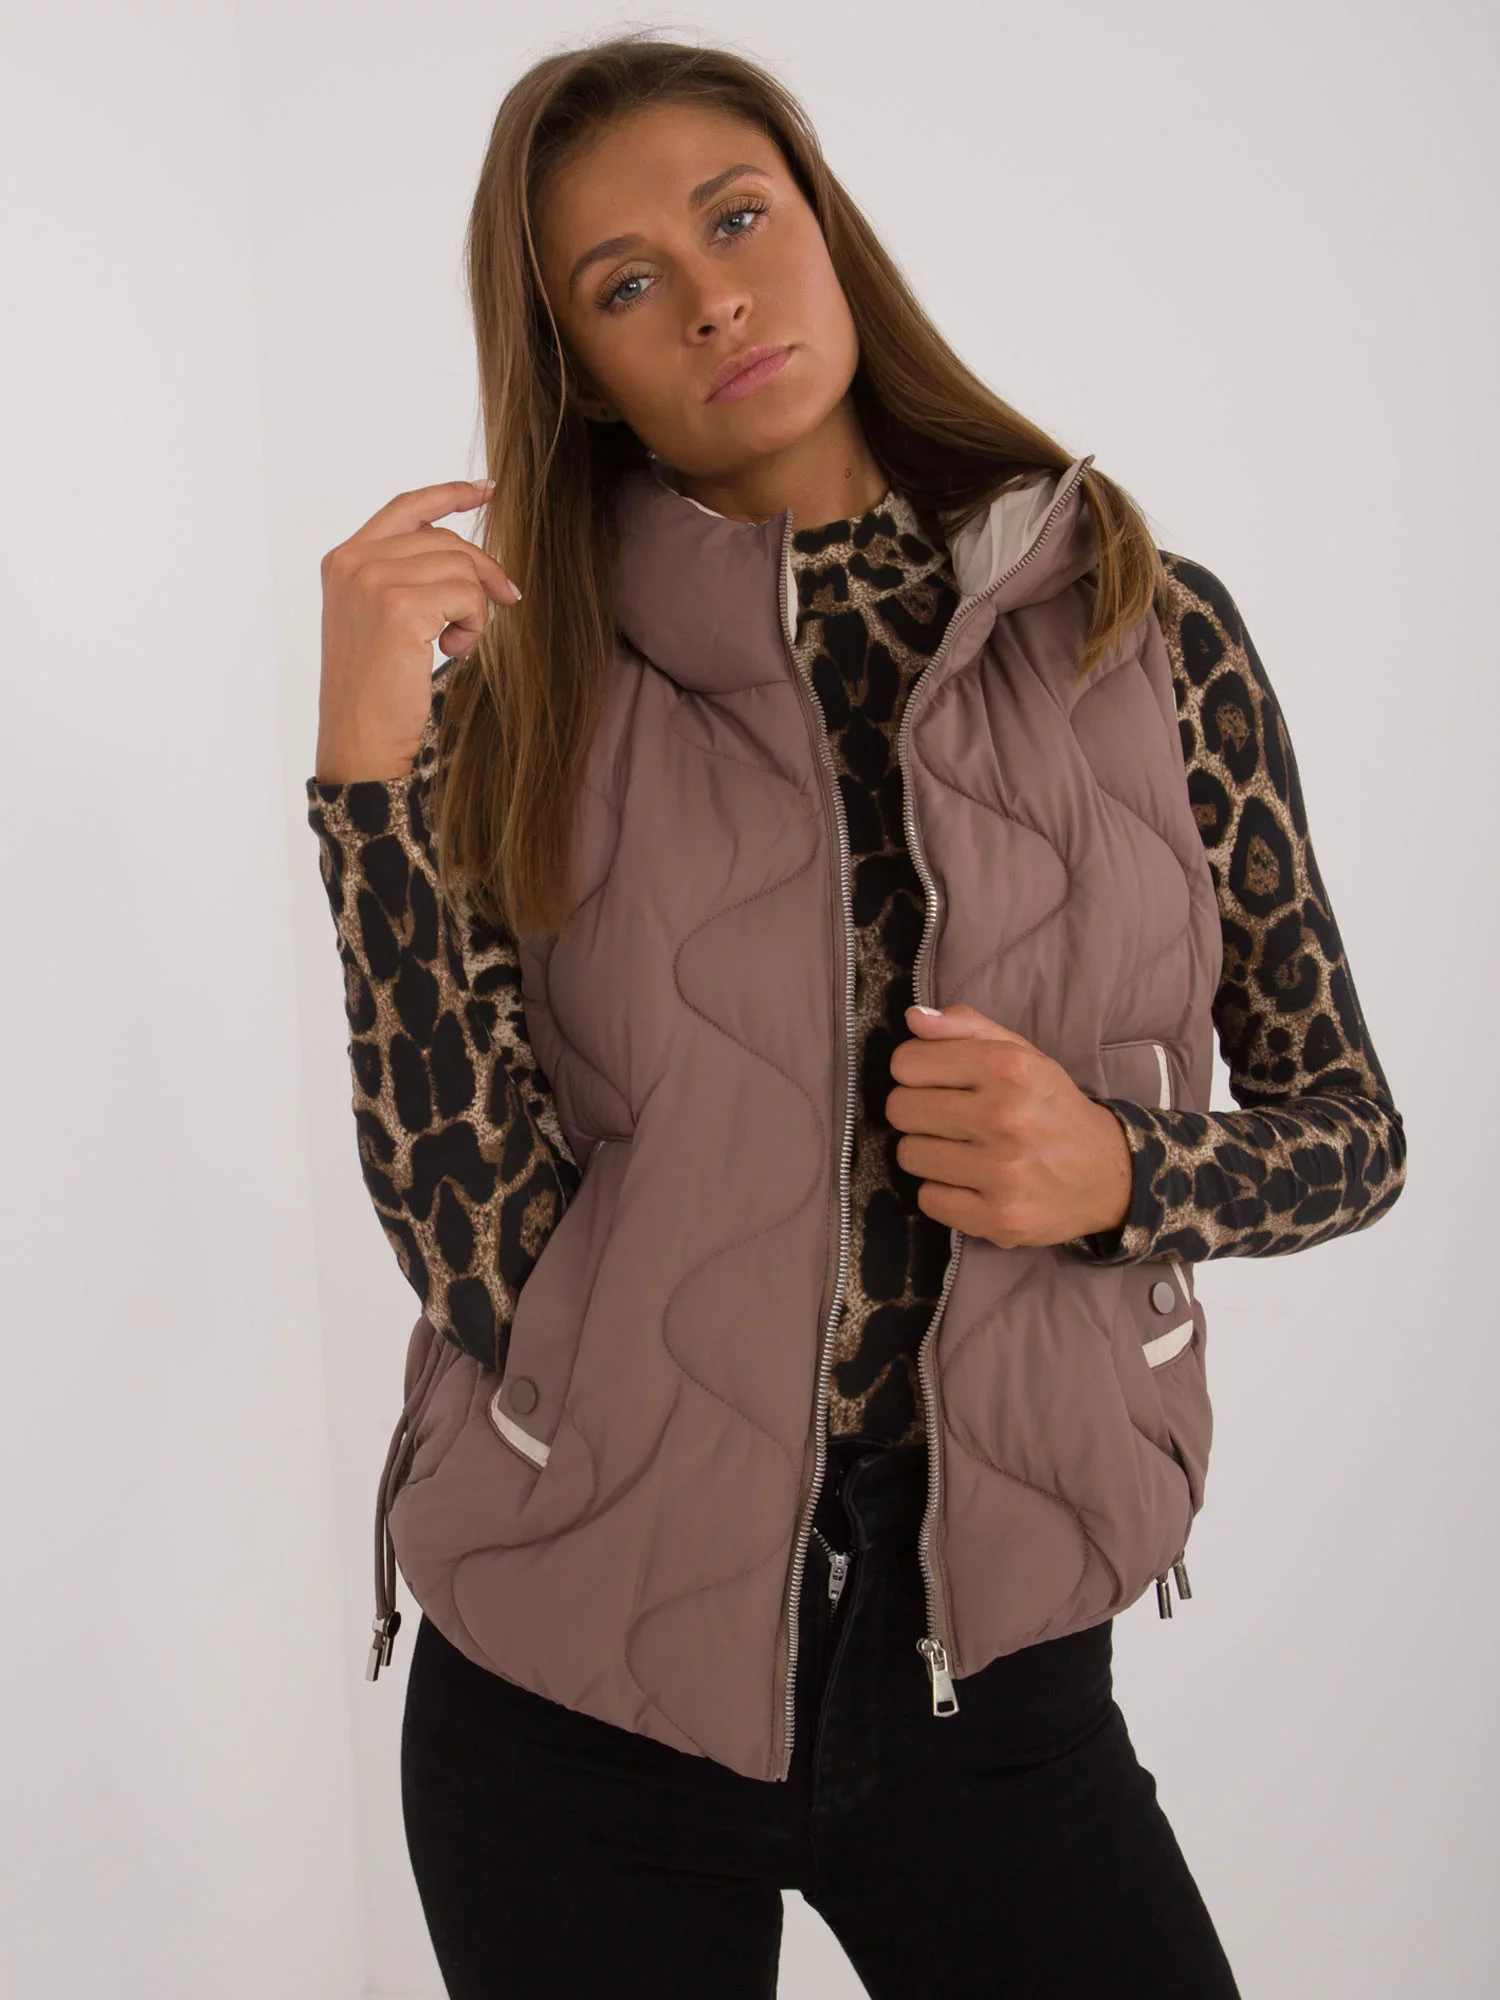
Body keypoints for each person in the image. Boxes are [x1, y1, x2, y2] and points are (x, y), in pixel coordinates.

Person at [305, 31, 1405, 2000]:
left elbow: (1351, 1133)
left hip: (993, 1676)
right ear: (579, 367)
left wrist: (1121, 1173)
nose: (711, 296)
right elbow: (470, 1245)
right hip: (570, 1691)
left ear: (825, 228)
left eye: (737, 220)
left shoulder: (1148, 631)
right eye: (625, 282)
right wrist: (366, 782)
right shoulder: (529, 691)